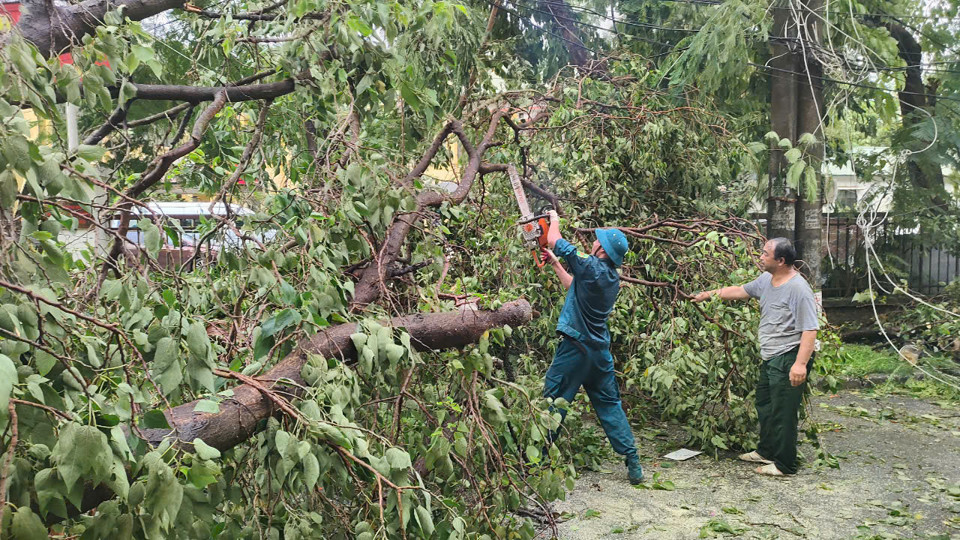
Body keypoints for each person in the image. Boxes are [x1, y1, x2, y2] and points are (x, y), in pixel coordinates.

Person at [692, 237, 819, 476]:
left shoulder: (798, 288)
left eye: (765, 254)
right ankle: (766, 451)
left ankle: (785, 464)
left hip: (789, 357)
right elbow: (740, 290)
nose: (760, 257)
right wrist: (707, 294)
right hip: (771, 356)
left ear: (781, 261)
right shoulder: (766, 280)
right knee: (765, 405)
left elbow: (810, 329)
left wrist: (800, 364)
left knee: (783, 412)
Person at [539, 210, 644, 485]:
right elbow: (575, 287)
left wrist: (555, 220)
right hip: (599, 354)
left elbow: (554, 240)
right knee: (610, 405)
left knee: (552, 400)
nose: (593, 242)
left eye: (597, 241)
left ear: (601, 249)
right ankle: (633, 460)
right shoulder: (610, 278)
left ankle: (535, 459)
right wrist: (556, 265)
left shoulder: (590, 265)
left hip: (575, 349)